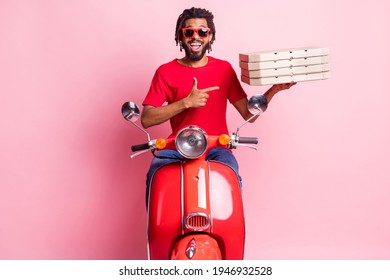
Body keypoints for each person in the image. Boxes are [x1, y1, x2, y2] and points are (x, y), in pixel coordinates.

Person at [141, 7, 295, 202]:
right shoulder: (165, 72)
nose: (195, 36)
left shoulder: (224, 69)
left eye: (202, 31)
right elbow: (146, 119)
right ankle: (156, 232)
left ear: (210, 36)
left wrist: (273, 90)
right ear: (181, 37)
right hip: (176, 148)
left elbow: (249, 115)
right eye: (188, 31)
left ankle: (231, 232)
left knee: (231, 181)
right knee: (155, 177)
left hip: (217, 148)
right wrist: (186, 102)